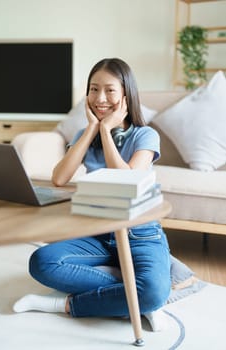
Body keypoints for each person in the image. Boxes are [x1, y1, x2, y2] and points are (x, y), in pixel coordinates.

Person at [13, 58, 172, 331]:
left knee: (154, 291)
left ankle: (63, 305)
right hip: (96, 231)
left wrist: (107, 132)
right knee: (42, 262)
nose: (100, 98)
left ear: (125, 94)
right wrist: (91, 129)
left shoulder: (145, 135)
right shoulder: (84, 134)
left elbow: (126, 180)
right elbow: (59, 178)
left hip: (139, 233)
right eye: (94, 89)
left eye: (110, 90)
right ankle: (137, 299)